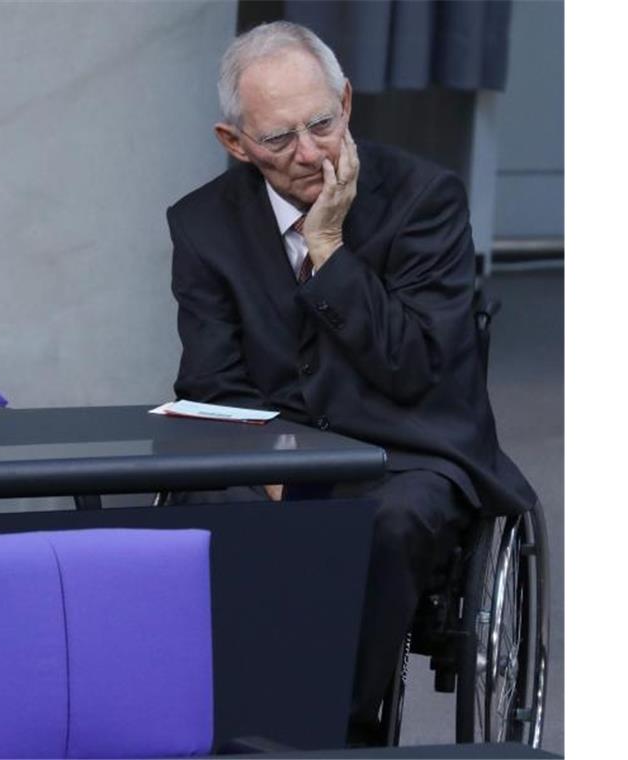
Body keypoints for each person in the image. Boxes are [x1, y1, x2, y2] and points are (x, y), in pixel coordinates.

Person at [167, 21, 538, 745]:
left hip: (406, 446)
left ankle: (332, 725)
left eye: (322, 124)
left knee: (390, 521)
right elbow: (210, 380)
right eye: (278, 140)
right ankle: (228, 717)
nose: (309, 153)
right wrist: (280, 467)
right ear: (234, 142)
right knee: (211, 501)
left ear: (346, 100)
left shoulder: (425, 200)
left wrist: (330, 249)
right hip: (273, 451)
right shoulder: (203, 224)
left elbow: (413, 365)